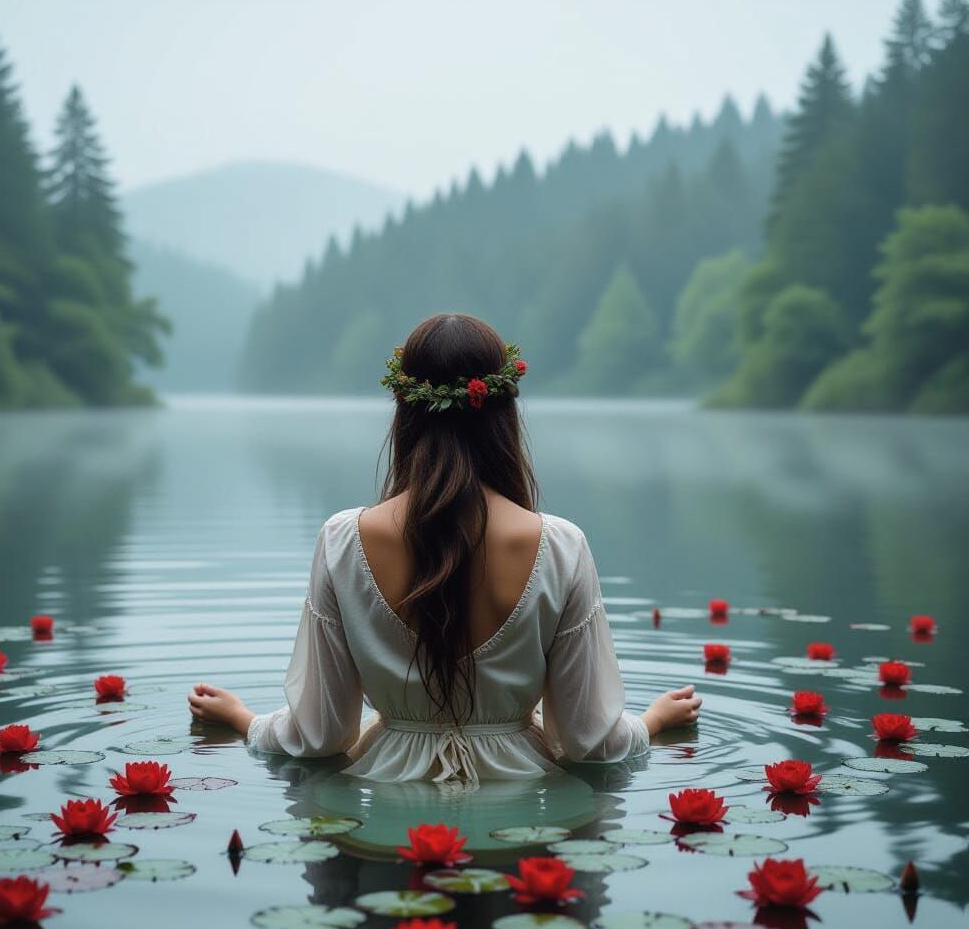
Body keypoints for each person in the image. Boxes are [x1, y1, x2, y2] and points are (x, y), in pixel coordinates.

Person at [187, 313, 701, 784]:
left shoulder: (343, 541)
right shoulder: (560, 546)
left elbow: (318, 738)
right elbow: (589, 743)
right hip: (522, 814)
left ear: (404, 412)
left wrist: (244, 721)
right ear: (504, 413)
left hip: (383, 806)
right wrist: (652, 723)